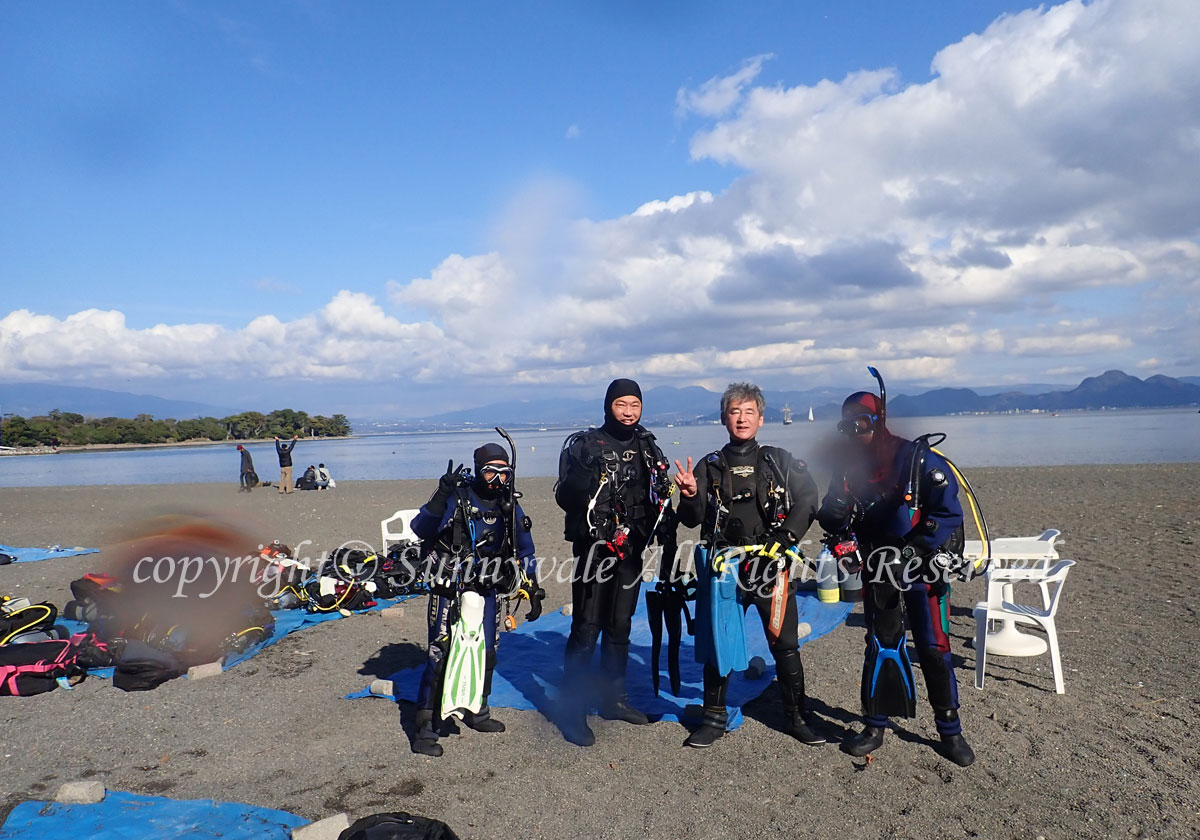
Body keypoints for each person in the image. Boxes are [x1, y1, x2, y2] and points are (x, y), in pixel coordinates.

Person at [816, 370, 975, 767]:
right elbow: (835, 516)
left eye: (863, 423)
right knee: (881, 643)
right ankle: (874, 725)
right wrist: (837, 529)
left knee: (934, 648)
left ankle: (950, 730)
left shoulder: (917, 458)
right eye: (846, 425)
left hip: (922, 568)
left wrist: (916, 550)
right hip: (879, 569)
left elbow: (948, 512)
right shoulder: (849, 466)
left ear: (879, 419)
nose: (855, 432)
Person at [673, 382, 823, 748]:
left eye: (748, 412)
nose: (741, 419)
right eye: (734, 412)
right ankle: (713, 717)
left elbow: (809, 498)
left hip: (769, 563)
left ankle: (797, 716)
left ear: (761, 418)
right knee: (717, 641)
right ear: (724, 418)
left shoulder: (777, 460)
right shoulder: (711, 465)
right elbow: (691, 520)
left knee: (784, 642)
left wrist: (786, 538)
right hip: (724, 568)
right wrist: (691, 494)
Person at [554, 378, 675, 746]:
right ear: (609, 406)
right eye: (621, 404)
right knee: (587, 627)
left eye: (634, 405)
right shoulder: (584, 445)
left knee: (620, 625)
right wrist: (583, 474)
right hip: (595, 548)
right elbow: (565, 497)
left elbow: (659, 491)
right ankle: (572, 709)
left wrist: (666, 525)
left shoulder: (647, 445)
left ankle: (614, 699)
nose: (628, 411)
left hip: (631, 549)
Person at [408, 443, 541, 757]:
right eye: (490, 471)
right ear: (478, 470)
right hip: (449, 589)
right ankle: (425, 728)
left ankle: (477, 710)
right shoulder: (458, 497)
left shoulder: (509, 506)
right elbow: (420, 528)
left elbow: (526, 549)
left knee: (488, 653)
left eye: (504, 472)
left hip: (489, 589)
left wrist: (532, 588)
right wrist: (441, 494)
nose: (497, 479)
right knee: (440, 655)